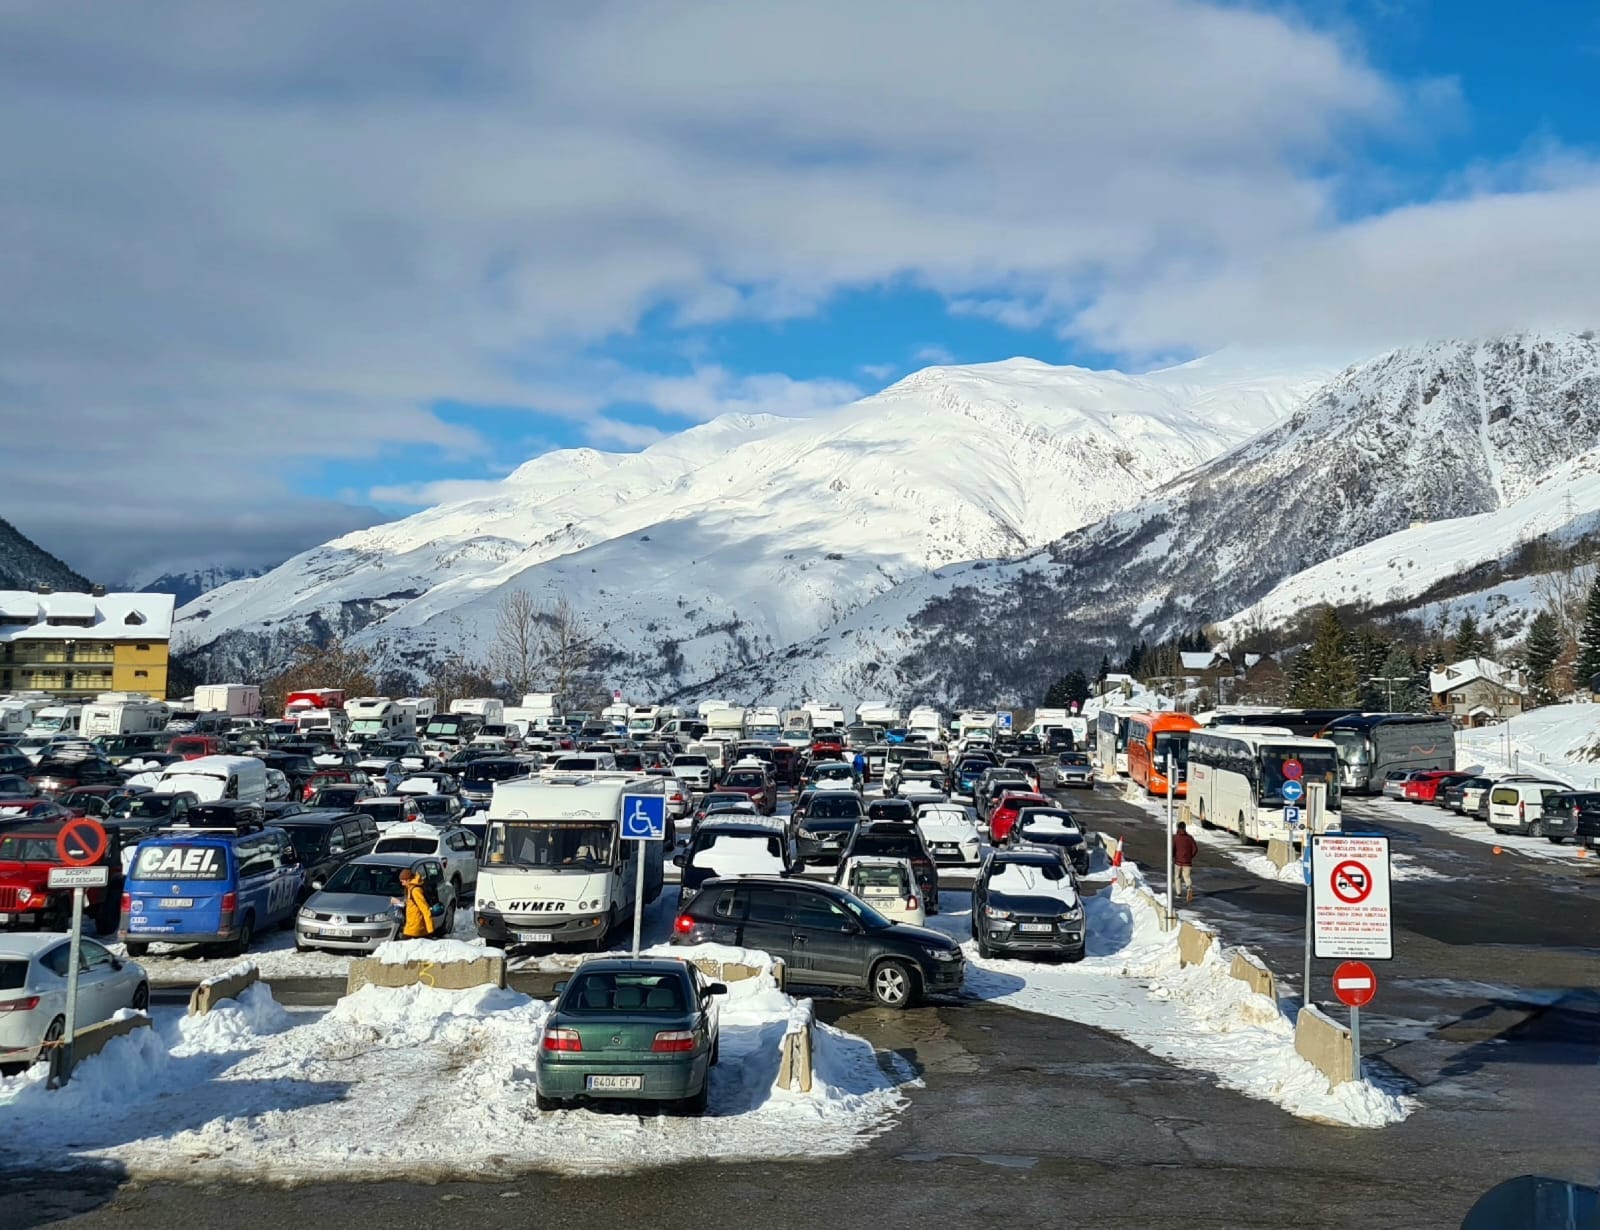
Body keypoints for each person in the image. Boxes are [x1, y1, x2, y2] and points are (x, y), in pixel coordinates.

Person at [398, 869, 436, 939]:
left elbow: (425, 909)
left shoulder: (415, 891)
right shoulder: (410, 888)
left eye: (403, 881)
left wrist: (430, 929)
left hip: (415, 928)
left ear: (408, 880)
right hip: (412, 925)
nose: (402, 884)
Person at [1173, 820, 1198, 902]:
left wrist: (1174, 856)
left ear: (1178, 828)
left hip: (1178, 861)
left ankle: (1179, 893)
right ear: (1185, 828)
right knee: (1187, 877)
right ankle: (1189, 887)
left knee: (1177, 877)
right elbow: (1195, 849)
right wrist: (1190, 856)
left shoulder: (1176, 838)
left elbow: (1173, 849)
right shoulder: (1189, 838)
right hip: (1187, 862)